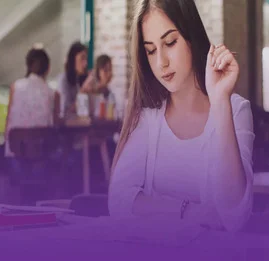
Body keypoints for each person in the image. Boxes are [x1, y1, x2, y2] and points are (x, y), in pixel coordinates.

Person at [108, 0, 255, 232]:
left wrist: (219, 103)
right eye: (151, 50)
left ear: (191, 36)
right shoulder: (149, 114)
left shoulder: (235, 110)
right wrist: (187, 211)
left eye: (170, 42)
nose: (161, 62)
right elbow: (119, 200)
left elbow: (234, 215)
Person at [4, 47, 60, 181]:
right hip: (43, 160)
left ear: (28, 66)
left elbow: (7, 124)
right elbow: (56, 126)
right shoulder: (53, 94)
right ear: (48, 68)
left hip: (16, 157)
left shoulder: (15, 87)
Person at [58, 41, 94, 119]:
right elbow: (66, 110)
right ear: (72, 59)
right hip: (68, 128)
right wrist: (83, 90)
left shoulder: (81, 79)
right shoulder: (63, 80)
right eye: (82, 58)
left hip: (83, 124)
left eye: (86, 59)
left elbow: (89, 110)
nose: (85, 63)